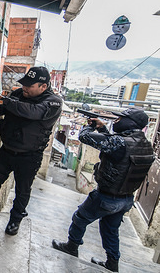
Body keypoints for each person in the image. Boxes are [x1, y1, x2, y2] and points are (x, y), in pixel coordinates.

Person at [52, 108, 154, 272]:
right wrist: (102, 128)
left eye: (121, 118)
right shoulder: (146, 145)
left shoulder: (121, 142)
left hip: (107, 196)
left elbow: (85, 137)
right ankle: (112, 263)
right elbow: (113, 147)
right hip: (126, 199)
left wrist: (89, 126)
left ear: (131, 123)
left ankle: (71, 246)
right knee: (111, 230)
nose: (117, 120)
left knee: (80, 218)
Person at [0, 66, 62, 236]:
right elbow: (2, 110)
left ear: (43, 87)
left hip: (29, 156)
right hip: (7, 149)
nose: (24, 88)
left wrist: (3, 100)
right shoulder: (18, 94)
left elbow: (33, 112)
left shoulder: (53, 102)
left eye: (30, 86)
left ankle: (15, 220)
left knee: (22, 191)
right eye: (24, 84)